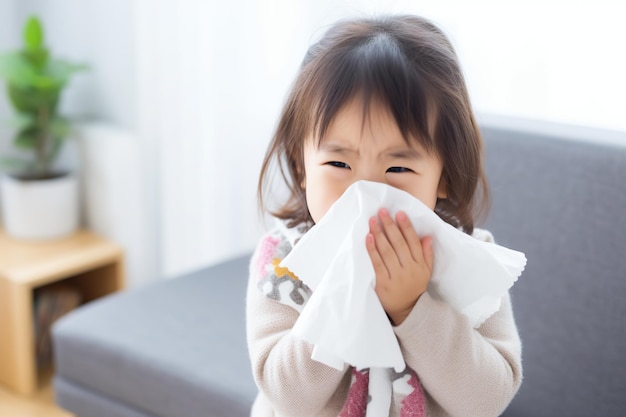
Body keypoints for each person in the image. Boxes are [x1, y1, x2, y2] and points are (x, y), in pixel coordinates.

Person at [246, 14, 522, 417]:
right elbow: (285, 397)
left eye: (398, 169)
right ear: (302, 166)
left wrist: (412, 309)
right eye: (339, 164)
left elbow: (487, 401)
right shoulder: (282, 260)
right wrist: (345, 287)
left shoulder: (468, 262)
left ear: (443, 176)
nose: (364, 194)